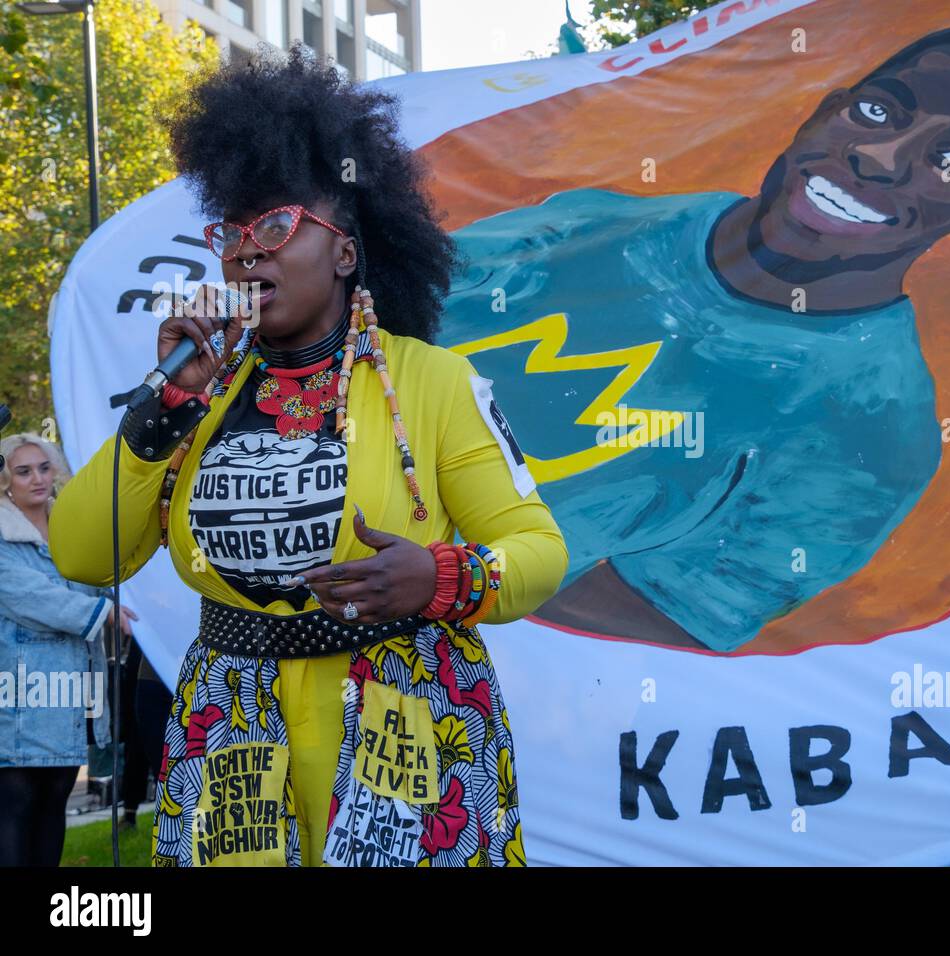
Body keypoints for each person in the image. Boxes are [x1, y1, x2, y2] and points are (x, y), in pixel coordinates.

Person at [436, 19, 950, 652]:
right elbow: (378, 314)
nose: (879, 157)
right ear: (825, 109)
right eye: (878, 112)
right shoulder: (584, 226)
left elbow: (674, 612)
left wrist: (446, 575)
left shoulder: (873, 429)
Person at [49, 44, 568, 867]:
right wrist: (168, 406)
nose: (247, 251)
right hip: (233, 729)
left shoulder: (429, 382)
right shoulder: (198, 395)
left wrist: (441, 578)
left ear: (346, 252)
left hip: (405, 717)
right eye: (234, 233)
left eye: (280, 226)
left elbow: (540, 553)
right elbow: (82, 552)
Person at [0, 433, 137, 866]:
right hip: (21, 697)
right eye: (23, 471)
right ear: (5, 481)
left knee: (56, 799)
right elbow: (30, 598)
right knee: (17, 803)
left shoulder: (69, 531)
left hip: (71, 696)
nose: (37, 478)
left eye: (43, 467)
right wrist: (104, 611)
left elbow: (98, 576)